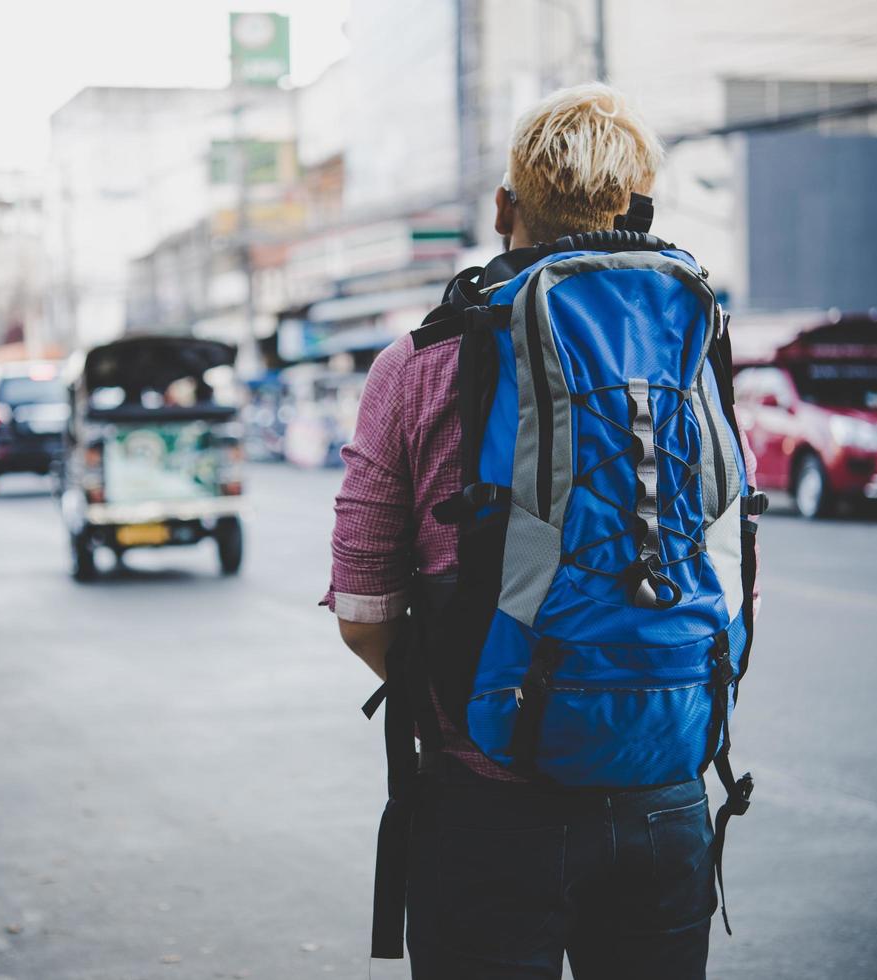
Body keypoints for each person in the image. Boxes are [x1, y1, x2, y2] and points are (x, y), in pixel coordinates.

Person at [324, 83, 760, 979]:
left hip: (486, 806)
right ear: (639, 208)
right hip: (666, 788)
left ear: (502, 209)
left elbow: (365, 613)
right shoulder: (692, 342)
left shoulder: (417, 364)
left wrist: (493, 686)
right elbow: (733, 562)